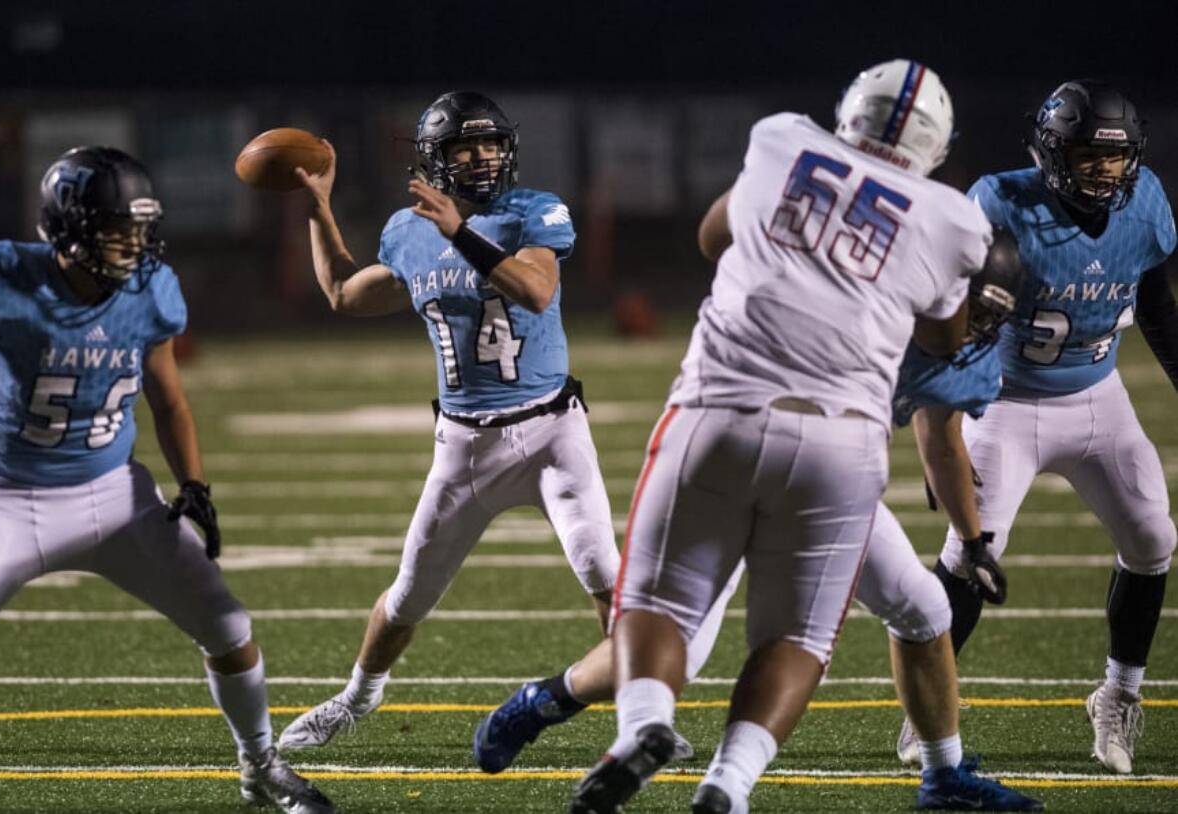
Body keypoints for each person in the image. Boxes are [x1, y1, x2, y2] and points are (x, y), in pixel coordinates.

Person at [563, 59, 1019, 814]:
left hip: (721, 409)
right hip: (842, 443)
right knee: (796, 637)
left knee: (660, 605)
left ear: (850, 111)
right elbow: (944, 339)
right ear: (936, 145)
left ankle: (642, 728)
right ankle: (729, 785)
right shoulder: (955, 220)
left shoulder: (781, 142)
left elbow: (715, 239)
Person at [475, 229, 1041, 812]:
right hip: (768, 460)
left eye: (985, 316)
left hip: (810, 474)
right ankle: (704, 770)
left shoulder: (920, 327)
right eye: (966, 309)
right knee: (724, 645)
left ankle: (942, 775)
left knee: (923, 608)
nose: (968, 330)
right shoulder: (865, 302)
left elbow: (941, 435)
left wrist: (972, 542)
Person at [0, 146, 334, 814]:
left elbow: (169, 398)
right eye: (116, 228)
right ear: (67, 229)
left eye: (139, 227)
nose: (133, 243)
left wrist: (195, 487)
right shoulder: (3, 277)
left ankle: (261, 767)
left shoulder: (150, 289)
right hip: (9, 496)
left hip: (114, 498)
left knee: (230, 627)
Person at [277, 91, 620, 751]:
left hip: (553, 433)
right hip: (464, 445)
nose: (484, 157)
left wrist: (458, 231)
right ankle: (356, 698)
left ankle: (642, 717)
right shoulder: (408, 232)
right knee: (407, 597)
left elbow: (538, 289)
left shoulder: (533, 211)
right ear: (437, 159)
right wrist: (318, 209)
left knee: (607, 576)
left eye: (492, 144)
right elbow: (344, 295)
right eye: (467, 147)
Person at [922, 79, 1177, 775]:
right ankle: (930, 712)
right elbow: (947, 319)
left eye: (1117, 158)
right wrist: (939, 425)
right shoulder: (1000, 204)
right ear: (1054, 153)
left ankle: (1118, 696)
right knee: (972, 550)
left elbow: (1155, 301)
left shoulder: (1145, 203)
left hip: (1099, 395)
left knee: (1154, 536)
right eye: (1091, 156)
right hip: (1006, 401)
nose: (1106, 170)